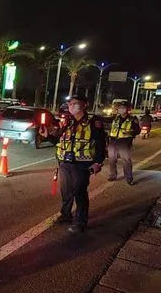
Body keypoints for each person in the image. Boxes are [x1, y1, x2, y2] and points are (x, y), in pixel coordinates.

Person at [39, 94, 106, 234]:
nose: (71, 106)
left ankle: (80, 222)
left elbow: (100, 144)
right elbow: (60, 141)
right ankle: (65, 215)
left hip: (82, 164)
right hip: (65, 163)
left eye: (75, 103)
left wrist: (98, 163)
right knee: (66, 191)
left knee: (80, 192)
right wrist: (48, 136)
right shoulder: (67, 122)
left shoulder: (93, 122)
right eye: (69, 104)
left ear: (84, 105)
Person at [107, 100, 140, 185]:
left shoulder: (133, 119)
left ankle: (129, 179)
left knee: (126, 161)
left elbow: (137, 130)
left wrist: (130, 133)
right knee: (111, 160)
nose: (122, 109)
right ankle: (112, 176)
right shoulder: (115, 118)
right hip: (113, 141)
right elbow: (106, 121)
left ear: (127, 109)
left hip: (124, 142)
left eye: (124, 108)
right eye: (120, 108)